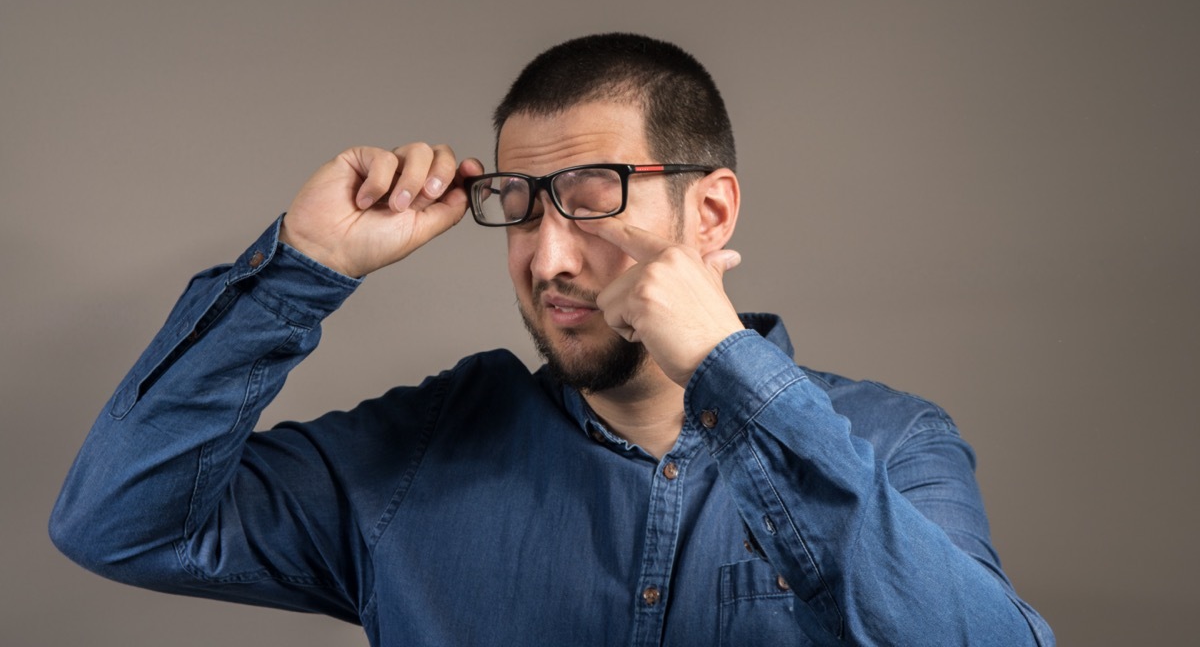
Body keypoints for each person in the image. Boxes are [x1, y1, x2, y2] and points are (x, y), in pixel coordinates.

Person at [50, 33, 1054, 646]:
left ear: (711, 210)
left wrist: (730, 374)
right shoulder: (422, 451)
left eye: (589, 199)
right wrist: (305, 262)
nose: (546, 256)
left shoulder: (891, 443)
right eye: (521, 206)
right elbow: (116, 518)